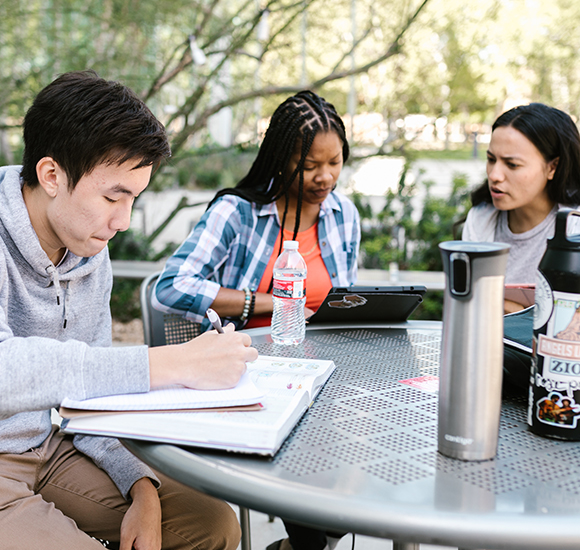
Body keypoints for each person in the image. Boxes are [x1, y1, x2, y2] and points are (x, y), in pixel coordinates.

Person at [0, 70, 258, 550]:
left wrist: (142, 487)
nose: (123, 221)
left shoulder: (89, 249)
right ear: (51, 174)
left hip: (50, 446)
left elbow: (92, 399)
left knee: (212, 524)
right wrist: (168, 364)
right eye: (112, 196)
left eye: (134, 199)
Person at [153, 90, 360, 550]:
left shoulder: (344, 216)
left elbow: (341, 300)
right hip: (249, 373)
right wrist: (265, 302)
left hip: (323, 374)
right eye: (309, 166)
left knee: (344, 495)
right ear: (280, 160)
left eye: (335, 162)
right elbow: (170, 286)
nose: (325, 177)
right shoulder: (238, 213)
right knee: (320, 506)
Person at [462, 103, 580, 310]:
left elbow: (570, 320)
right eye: (491, 159)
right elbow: (470, 305)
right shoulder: (481, 220)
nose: (494, 175)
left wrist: (501, 305)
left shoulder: (575, 226)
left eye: (512, 164)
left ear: (553, 167)